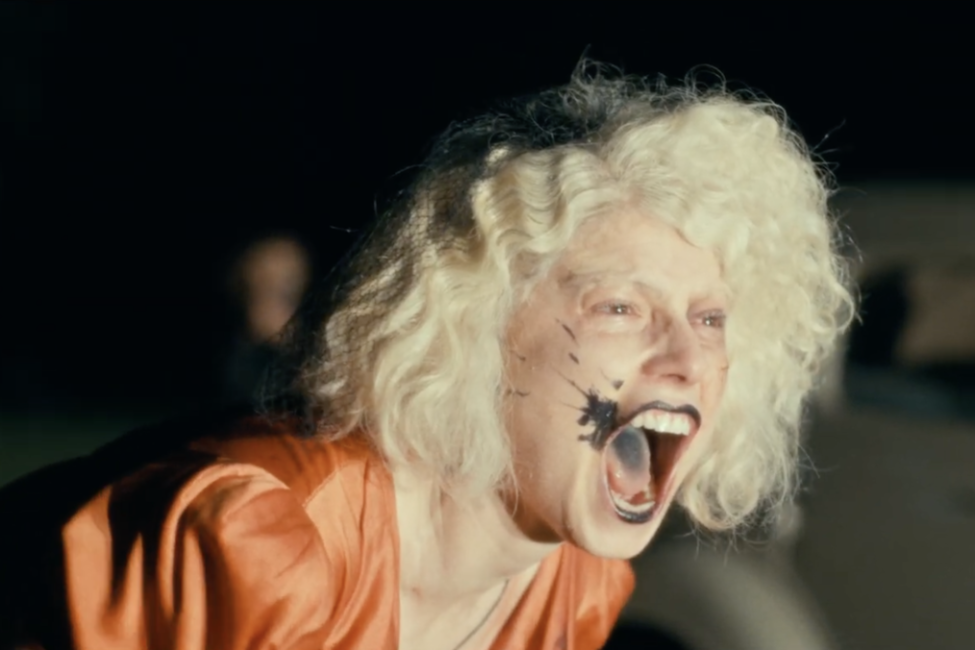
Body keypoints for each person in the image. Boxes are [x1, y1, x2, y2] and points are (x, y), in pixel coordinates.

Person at [0, 62, 853, 650]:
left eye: (710, 320)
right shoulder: (256, 539)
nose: (685, 359)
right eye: (620, 307)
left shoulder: (577, 588)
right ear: (474, 326)